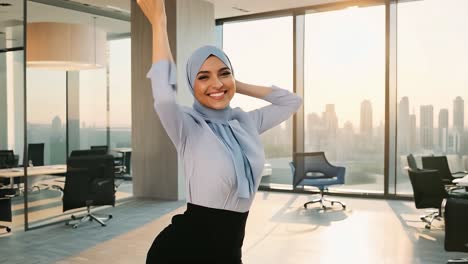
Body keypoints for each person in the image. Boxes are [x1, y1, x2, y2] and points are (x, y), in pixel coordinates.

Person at [137, 0, 302, 263]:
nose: (215, 83)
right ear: (192, 85)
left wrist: (234, 84)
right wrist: (159, 23)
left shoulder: (245, 122)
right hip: (182, 252)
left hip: (228, 251)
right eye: (203, 77)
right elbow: (164, 95)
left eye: (223, 73)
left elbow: (291, 101)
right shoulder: (187, 125)